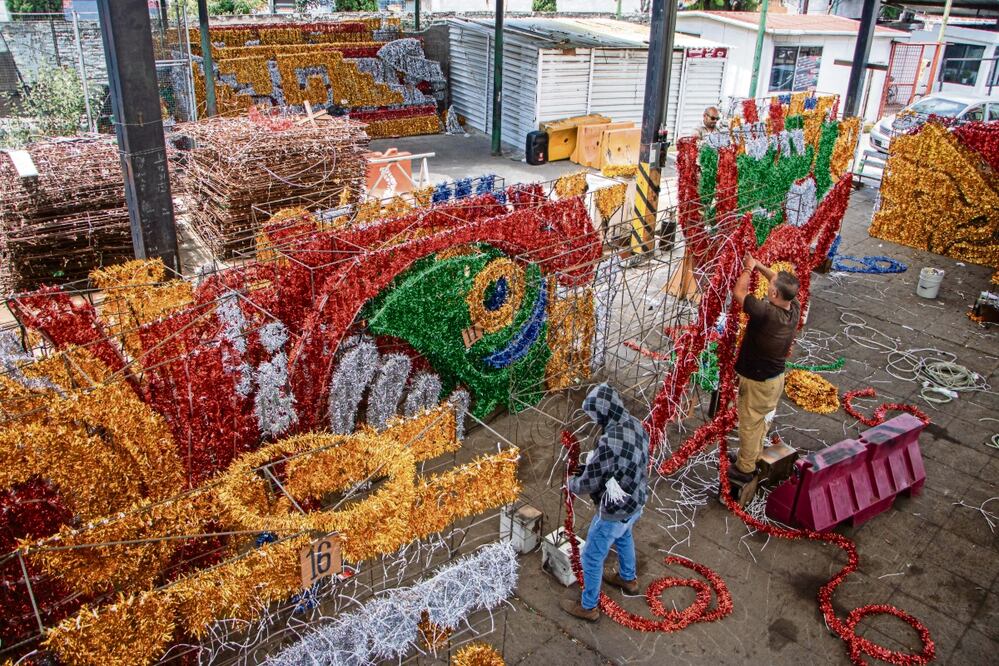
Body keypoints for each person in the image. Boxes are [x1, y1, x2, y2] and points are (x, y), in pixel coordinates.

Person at [561, 383, 649, 622]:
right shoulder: (636, 424)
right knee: (624, 535)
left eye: (595, 415)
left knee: (591, 556)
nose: (595, 420)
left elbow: (589, 481)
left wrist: (571, 482)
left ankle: (588, 606)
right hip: (636, 501)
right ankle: (628, 579)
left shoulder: (609, 442)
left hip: (615, 510)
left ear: (604, 412)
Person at [730, 253, 801, 506]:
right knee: (761, 420)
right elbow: (780, 280)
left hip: (758, 381)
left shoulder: (765, 312)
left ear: (773, 295)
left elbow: (739, 293)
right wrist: (758, 265)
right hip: (775, 379)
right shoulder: (793, 308)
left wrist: (748, 271)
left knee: (749, 423)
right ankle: (753, 454)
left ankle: (745, 468)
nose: (769, 286)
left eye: (771, 288)